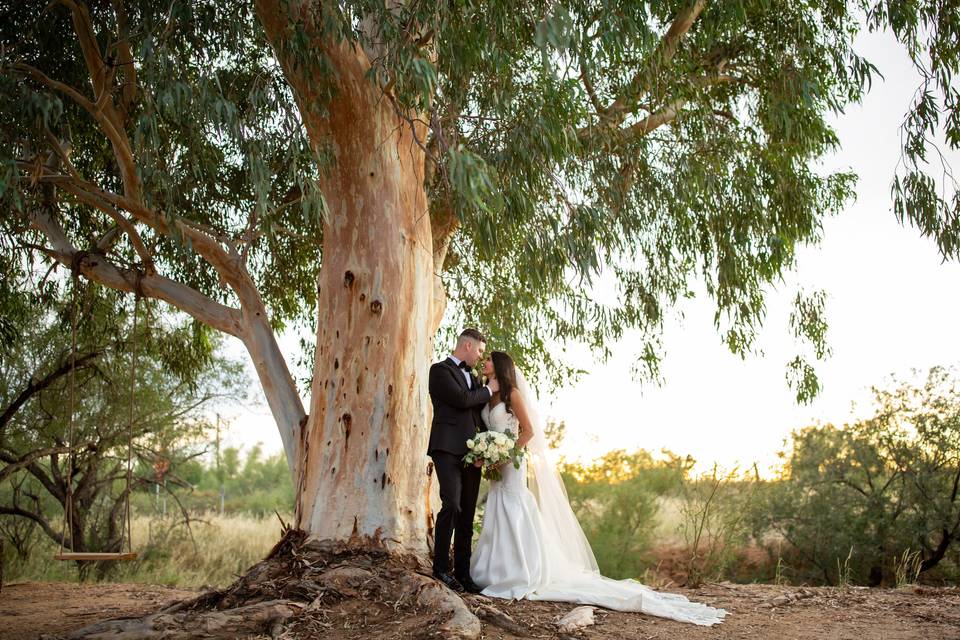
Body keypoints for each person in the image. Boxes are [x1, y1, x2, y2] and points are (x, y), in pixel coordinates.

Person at [469, 351, 727, 626]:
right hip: (497, 465)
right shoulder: (487, 395)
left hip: (512, 463)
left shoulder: (513, 396)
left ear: (499, 366)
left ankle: (519, 572)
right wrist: (488, 456)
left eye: (488, 360)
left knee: (515, 507)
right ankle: (494, 571)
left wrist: (506, 455)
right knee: (498, 508)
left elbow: (528, 431)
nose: (484, 362)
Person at [427, 328, 499, 594]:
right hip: (446, 448)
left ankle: (463, 574)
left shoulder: (476, 379)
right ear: (467, 346)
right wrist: (490, 390)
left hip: (473, 454)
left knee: (468, 512)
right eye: (479, 351)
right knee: (453, 504)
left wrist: (486, 450)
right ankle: (441, 569)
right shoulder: (440, 371)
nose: (480, 357)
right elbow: (460, 400)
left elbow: (477, 415)